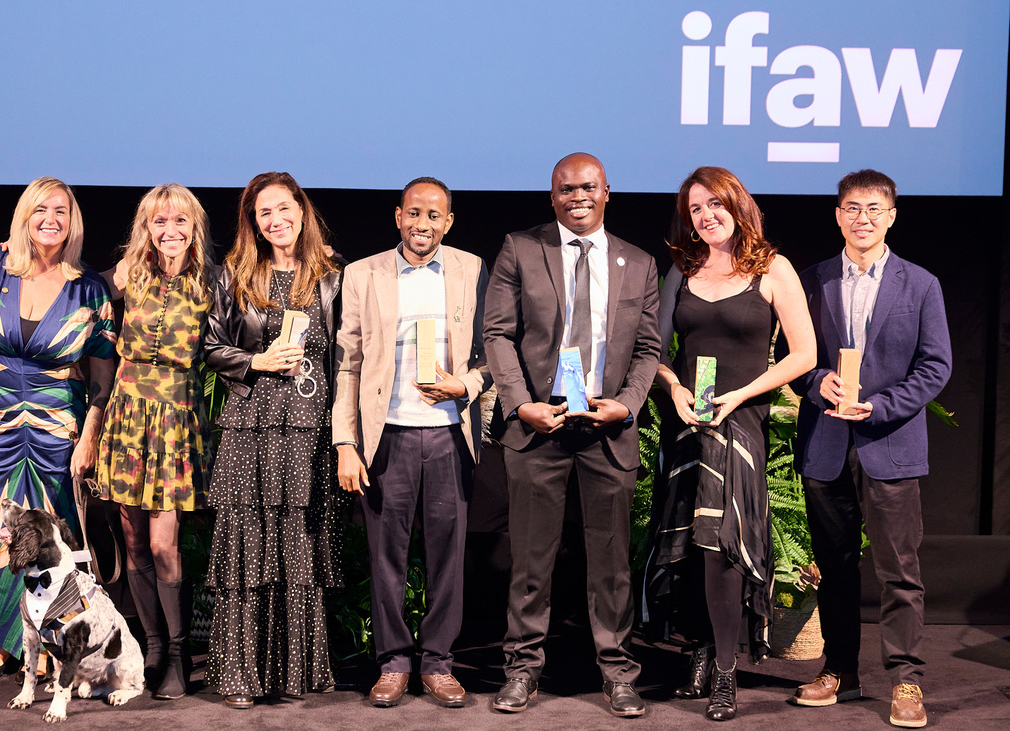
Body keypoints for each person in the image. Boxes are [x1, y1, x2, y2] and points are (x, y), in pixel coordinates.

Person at [483, 153, 660, 717]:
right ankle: (522, 670)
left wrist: (627, 405)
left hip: (607, 429)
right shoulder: (521, 248)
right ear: (552, 195)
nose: (577, 196)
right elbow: (497, 334)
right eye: (566, 189)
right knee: (531, 563)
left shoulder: (639, 263)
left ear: (607, 191)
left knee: (611, 566)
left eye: (588, 187)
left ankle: (618, 673)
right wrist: (521, 405)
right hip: (540, 427)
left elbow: (649, 349)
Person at [647, 166, 815, 721]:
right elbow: (654, 352)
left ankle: (725, 670)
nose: (705, 216)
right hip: (687, 421)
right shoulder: (681, 269)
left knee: (720, 543)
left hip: (739, 423)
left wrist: (741, 394)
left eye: (714, 204)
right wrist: (673, 389)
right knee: (690, 544)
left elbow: (804, 355)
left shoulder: (772, 268)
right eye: (695, 209)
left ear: (736, 205)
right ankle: (697, 651)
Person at [789, 170, 950, 729]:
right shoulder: (811, 281)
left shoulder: (920, 284)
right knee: (834, 567)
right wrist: (818, 384)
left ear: (892, 216)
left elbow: (935, 366)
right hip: (826, 442)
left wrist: (879, 406)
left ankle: (906, 679)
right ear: (838, 215)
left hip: (891, 442)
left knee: (898, 570)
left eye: (874, 209)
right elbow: (794, 359)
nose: (863, 218)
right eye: (853, 208)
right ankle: (841, 671)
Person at [333, 177, 491, 708]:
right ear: (398, 216)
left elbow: (493, 354)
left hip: (449, 434)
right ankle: (394, 662)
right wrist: (346, 442)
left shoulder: (471, 269)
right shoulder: (363, 273)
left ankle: (439, 663)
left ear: (449, 222)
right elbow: (348, 364)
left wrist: (465, 385)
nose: (423, 224)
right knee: (386, 558)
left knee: (448, 557)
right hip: (387, 437)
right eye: (414, 213)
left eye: (434, 215)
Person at [0, 177, 117, 680]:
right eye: (40, 210)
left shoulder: (89, 287)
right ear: (24, 216)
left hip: (58, 422)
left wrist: (90, 435)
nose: (51, 220)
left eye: (61, 211)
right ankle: (4, 642)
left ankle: (56, 642)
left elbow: (103, 371)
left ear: (73, 222)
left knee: (55, 530)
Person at [204, 171, 343, 709]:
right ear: (253, 222)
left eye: (284, 208)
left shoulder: (332, 276)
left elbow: (347, 354)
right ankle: (241, 675)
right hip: (250, 424)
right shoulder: (236, 275)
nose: (276, 219)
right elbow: (211, 345)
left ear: (302, 211)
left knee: (297, 544)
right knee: (248, 544)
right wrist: (255, 361)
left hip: (309, 427)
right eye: (264, 212)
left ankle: (294, 674)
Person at [94, 184, 214, 699]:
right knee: (135, 542)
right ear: (146, 227)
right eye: (159, 221)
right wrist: (18, 253)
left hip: (176, 423)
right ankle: (154, 645)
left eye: (179, 221)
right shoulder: (128, 275)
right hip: (127, 421)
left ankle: (180, 652)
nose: (170, 231)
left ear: (194, 227)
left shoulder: (212, 281)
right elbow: (72, 287)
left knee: (165, 544)